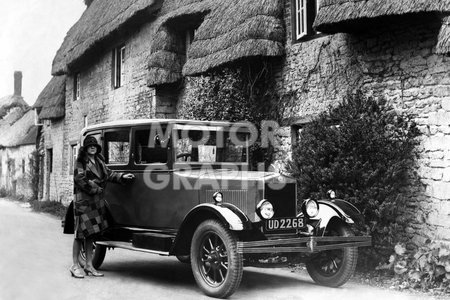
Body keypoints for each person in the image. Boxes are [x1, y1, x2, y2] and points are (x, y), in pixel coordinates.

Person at [68, 136, 134, 278]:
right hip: (84, 203)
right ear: (85, 148)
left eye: (94, 146)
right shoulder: (80, 161)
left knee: (91, 234)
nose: (92, 148)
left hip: (96, 203)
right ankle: (74, 265)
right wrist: (96, 188)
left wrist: (122, 177)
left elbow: (108, 174)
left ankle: (89, 265)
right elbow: (80, 179)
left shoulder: (99, 160)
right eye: (90, 146)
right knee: (80, 234)